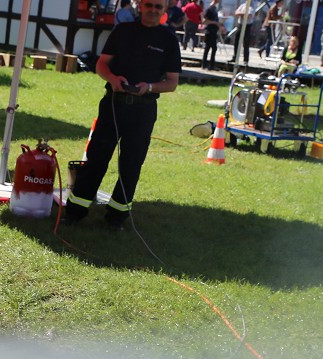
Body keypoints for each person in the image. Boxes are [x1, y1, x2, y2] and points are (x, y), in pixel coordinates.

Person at [64, 0, 181, 230]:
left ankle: (116, 217)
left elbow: (172, 83)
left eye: (158, 7)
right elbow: (101, 65)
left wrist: (148, 87)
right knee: (97, 158)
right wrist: (113, 80)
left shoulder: (168, 39)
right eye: (149, 5)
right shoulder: (124, 31)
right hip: (114, 105)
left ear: (164, 10)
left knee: (131, 164)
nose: (153, 10)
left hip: (144, 109)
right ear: (140, 6)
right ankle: (75, 211)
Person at [201, 0, 221, 69]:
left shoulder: (215, 9)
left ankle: (212, 64)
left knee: (214, 48)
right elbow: (204, 21)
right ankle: (204, 64)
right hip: (209, 31)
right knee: (207, 48)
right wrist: (214, 23)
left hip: (214, 31)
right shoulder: (209, 9)